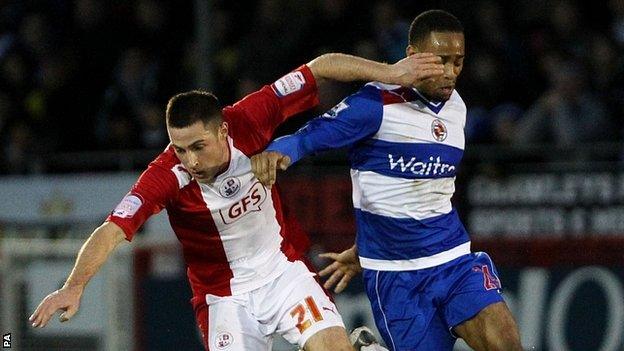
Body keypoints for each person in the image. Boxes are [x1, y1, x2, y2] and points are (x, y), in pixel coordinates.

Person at [28, 52, 445, 351]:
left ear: (223, 130)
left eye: (198, 146)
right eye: (179, 148)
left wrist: (391, 72)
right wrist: (74, 285)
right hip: (223, 298)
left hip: (284, 274)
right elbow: (112, 230)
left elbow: (318, 68)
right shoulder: (165, 176)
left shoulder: (250, 117)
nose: (189, 160)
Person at [251, 10, 523, 351]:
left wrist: (364, 247)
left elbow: (424, 194)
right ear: (412, 55)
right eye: (441, 61)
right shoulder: (374, 105)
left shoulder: (457, 107)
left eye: (459, 61)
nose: (451, 73)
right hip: (396, 279)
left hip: (453, 261)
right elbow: (309, 136)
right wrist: (275, 153)